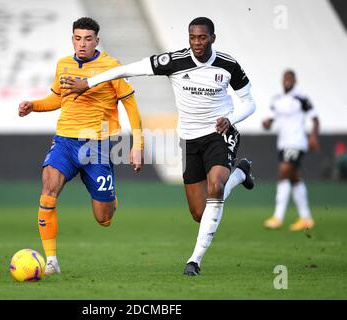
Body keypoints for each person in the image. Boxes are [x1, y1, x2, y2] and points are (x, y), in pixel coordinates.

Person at [62, 17, 256, 276]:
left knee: (215, 187)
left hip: (220, 133)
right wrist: (89, 83)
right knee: (200, 213)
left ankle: (194, 261)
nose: (197, 43)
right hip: (190, 140)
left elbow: (249, 103)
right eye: (193, 37)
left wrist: (230, 119)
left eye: (202, 37)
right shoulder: (174, 62)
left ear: (212, 38)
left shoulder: (228, 64)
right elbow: (126, 70)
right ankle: (240, 173)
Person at [18, 17, 144, 276]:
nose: (82, 44)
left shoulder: (111, 66)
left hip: (97, 144)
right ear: (72, 39)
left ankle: (110, 200)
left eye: (88, 38)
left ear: (97, 40)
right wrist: (34, 106)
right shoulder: (63, 65)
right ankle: (51, 260)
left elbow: (130, 104)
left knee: (104, 219)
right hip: (64, 140)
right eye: (78, 38)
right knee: (48, 189)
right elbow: (58, 98)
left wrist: (137, 144)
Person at [263, 70, 319, 231]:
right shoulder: (277, 100)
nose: (288, 81)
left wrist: (314, 136)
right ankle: (306, 218)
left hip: (296, 142)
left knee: (283, 174)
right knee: (295, 179)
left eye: (291, 78)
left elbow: (315, 119)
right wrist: (266, 123)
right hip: (282, 144)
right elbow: (270, 120)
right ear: (282, 81)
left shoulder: (301, 98)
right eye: (286, 78)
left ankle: (278, 217)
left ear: (295, 81)